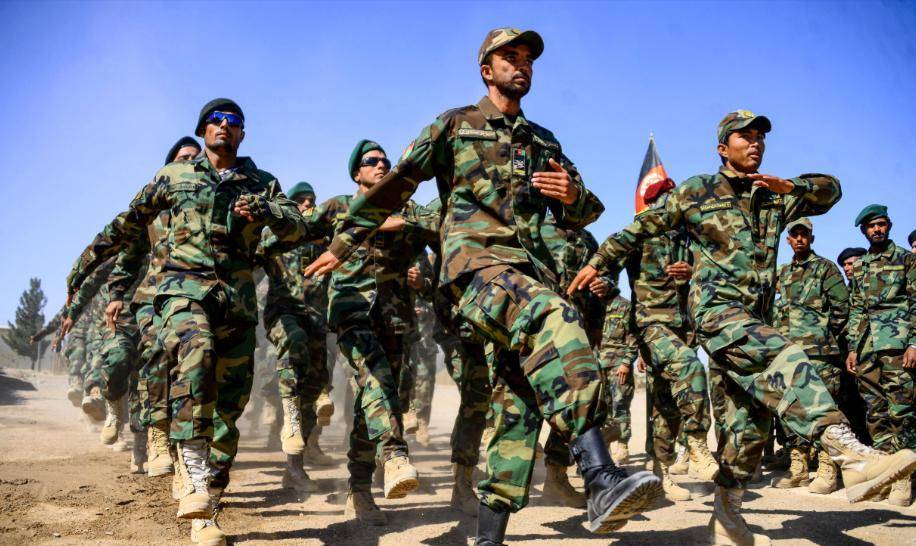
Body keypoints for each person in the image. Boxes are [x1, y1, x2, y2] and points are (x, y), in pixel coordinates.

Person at [306, 27, 662, 543]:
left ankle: (488, 536)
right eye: (509, 56)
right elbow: (397, 184)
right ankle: (599, 475)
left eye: (528, 58)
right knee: (556, 317)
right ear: (486, 70)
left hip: (526, 276)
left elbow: (585, 212)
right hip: (474, 271)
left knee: (519, 401)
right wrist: (343, 243)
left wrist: (572, 195)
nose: (522, 64)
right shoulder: (456, 125)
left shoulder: (543, 141)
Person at [569, 109, 916, 545]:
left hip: (755, 319)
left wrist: (792, 187)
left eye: (759, 137)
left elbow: (832, 190)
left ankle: (727, 516)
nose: (755, 143)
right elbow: (640, 228)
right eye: (744, 136)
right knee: (784, 354)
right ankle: (849, 453)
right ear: (722, 148)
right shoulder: (697, 191)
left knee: (749, 424)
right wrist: (598, 261)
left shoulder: (773, 194)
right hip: (716, 312)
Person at [64, 98, 309, 546]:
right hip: (182, 292)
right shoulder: (173, 177)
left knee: (229, 408)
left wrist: (267, 211)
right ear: (202, 130)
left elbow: (297, 228)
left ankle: (207, 496)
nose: (224, 125)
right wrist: (80, 271)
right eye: (215, 120)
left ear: (243, 133)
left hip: (236, 304)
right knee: (197, 354)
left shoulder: (262, 182)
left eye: (233, 121)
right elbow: (126, 224)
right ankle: (193, 480)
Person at [301, 140, 434, 525]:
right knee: (376, 375)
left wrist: (419, 271)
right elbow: (296, 230)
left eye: (386, 161)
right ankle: (394, 455)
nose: (380, 165)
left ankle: (358, 490)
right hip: (351, 310)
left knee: (375, 398)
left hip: (394, 317)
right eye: (371, 161)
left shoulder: (409, 211)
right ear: (356, 173)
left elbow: (438, 236)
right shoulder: (338, 207)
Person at [770, 218, 849, 494]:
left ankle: (828, 468)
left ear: (812, 239)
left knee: (825, 411)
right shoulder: (782, 273)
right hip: (789, 354)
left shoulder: (825, 268)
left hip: (820, 353)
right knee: (792, 411)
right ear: (788, 240)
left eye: (804, 234)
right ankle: (798, 467)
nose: (800, 239)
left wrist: (822, 333)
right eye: (795, 235)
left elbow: (842, 308)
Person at [846, 204, 916, 506]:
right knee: (875, 411)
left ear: (889, 226)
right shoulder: (861, 265)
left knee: (901, 410)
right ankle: (886, 472)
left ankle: (904, 477)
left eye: (881, 224)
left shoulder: (906, 259)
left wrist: (915, 343)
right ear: (864, 231)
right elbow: (856, 307)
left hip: (897, 344)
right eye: (872, 226)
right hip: (866, 346)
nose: (877, 229)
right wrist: (852, 347)